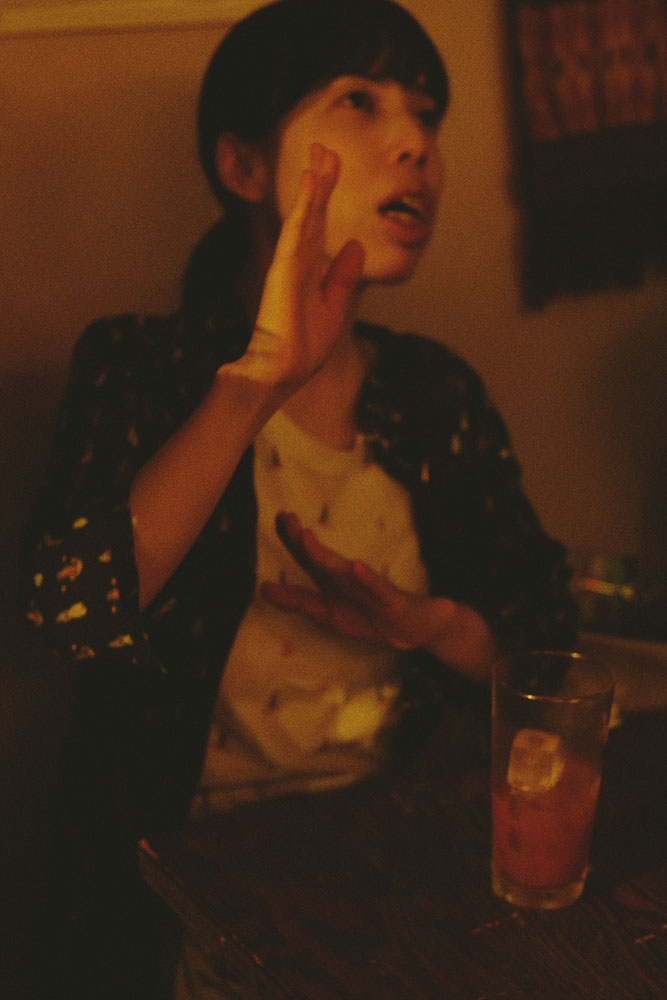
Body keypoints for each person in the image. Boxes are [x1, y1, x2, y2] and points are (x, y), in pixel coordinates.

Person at [18, 0, 577, 996]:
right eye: (360, 101)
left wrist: (430, 625)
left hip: (395, 855)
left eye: (426, 115)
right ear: (243, 167)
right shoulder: (139, 365)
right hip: (174, 882)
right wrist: (254, 385)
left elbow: (545, 648)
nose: (415, 144)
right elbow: (69, 611)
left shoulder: (434, 391)